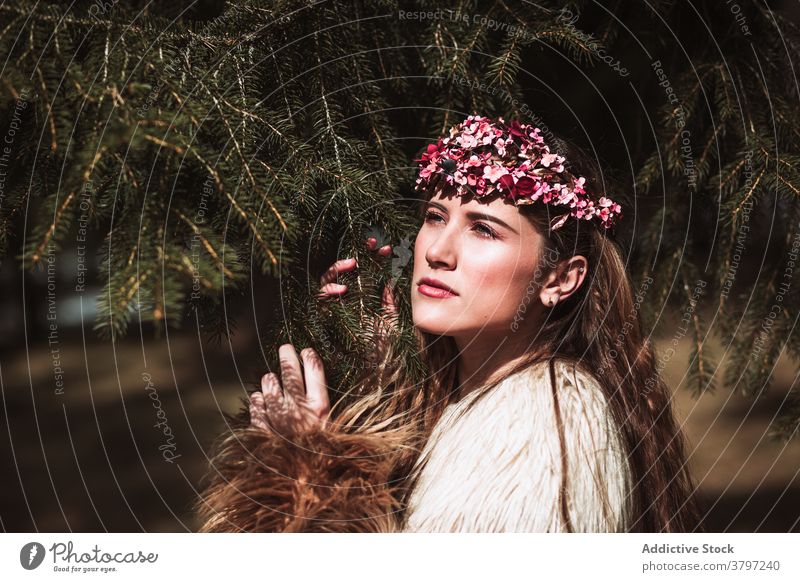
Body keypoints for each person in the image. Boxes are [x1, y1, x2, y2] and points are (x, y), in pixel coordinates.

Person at [196, 115, 702, 533]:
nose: (436, 251)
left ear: (560, 279)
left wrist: (304, 477)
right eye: (436, 216)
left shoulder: (538, 428)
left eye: (483, 229)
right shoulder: (461, 393)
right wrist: (364, 382)